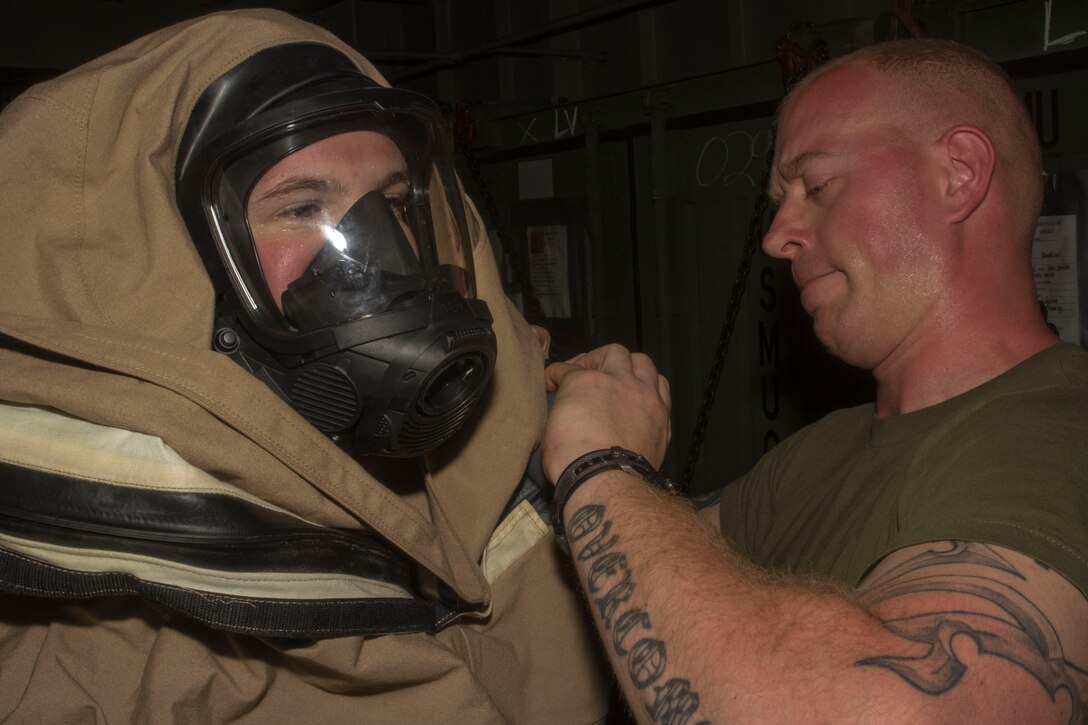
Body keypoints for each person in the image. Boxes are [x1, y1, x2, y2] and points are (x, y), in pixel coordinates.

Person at [0, 9, 610, 723]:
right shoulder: (90, 657)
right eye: (301, 208)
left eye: (389, 202)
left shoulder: (471, 460)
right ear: (183, 261)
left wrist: (599, 474)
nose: (384, 251)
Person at [540, 38, 1088, 724]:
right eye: (779, 198)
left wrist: (602, 463)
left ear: (959, 172)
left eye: (816, 186)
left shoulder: (1058, 434)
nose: (776, 236)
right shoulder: (826, 448)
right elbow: (637, 567)